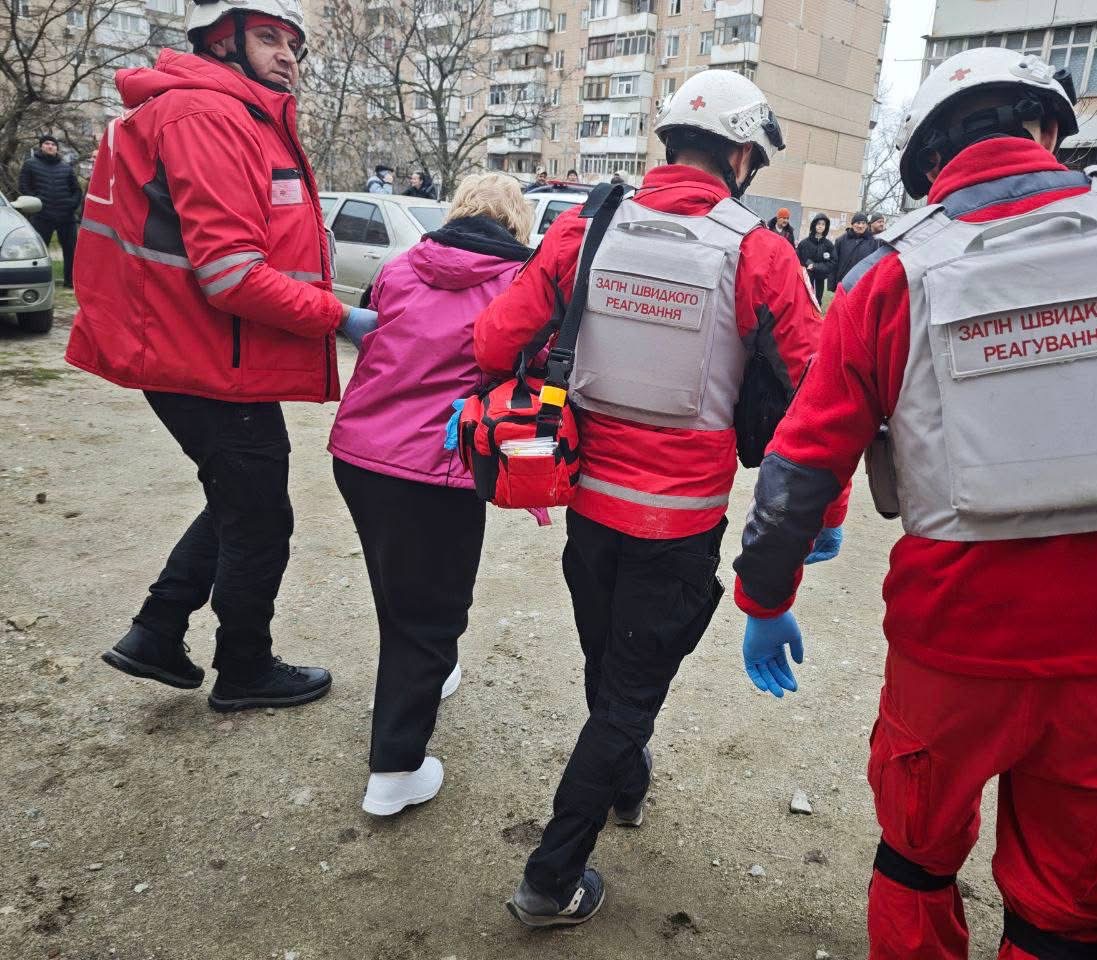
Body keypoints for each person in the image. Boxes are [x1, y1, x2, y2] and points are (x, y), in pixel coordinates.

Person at [731, 46, 1097, 960]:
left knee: (916, 860)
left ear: (927, 161)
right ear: (1047, 127)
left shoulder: (890, 274)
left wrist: (765, 595)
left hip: (956, 641)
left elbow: (803, 463)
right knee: (1068, 911)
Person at [472, 68, 826, 928]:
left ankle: (625, 783)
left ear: (670, 142)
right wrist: (825, 517)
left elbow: (492, 341)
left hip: (589, 507)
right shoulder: (762, 252)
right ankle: (550, 880)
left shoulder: (585, 228)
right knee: (629, 692)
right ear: (741, 156)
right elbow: (820, 393)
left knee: (612, 670)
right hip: (681, 525)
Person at [68, 0, 377, 712]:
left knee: (237, 500)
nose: (288, 55)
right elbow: (232, 274)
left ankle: (155, 631)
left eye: (294, 43)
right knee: (261, 520)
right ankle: (245, 669)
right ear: (219, 41)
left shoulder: (238, 114)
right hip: (206, 361)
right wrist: (343, 318)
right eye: (269, 37)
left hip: (206, 355)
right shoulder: (207, 115)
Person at [329, 173, 532, 815]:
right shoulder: (521, 282)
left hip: (361, 453)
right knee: (434, 612)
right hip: (438, 465)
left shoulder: (399, 267)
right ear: (517, 221)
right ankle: (394, 770)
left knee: (399, 588)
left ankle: (427, 675)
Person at [18, 135, 82, 288]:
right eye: (47, 143)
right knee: (38, 251)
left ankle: (70, 282)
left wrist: (71, 205)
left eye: (53, 144)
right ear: (41, 146)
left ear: (57, 148)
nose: (50, 146)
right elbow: (24, 187)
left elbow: (77, 190)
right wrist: (37, 202)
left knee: (71, 250)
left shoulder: (66, 167)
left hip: (66, 216)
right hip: (42, 215)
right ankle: (37, 283)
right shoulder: (30, 164)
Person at [830, 212, 877, 295]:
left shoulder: (873, 242)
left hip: (862, 283)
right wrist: (832, 285)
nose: (860, 226)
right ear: (852, 224)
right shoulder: (841, 240)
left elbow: (875, 265)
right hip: (843, 283)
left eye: (863, 223)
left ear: (867, 225)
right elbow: (833, 262)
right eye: (858, 223)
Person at [795, 211, 834, 300]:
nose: (820, 226)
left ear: (826, 227)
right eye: (818, 224)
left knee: (817, 300)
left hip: (820, 279)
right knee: (804, 300)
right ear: (814, 225)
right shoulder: (804, 243)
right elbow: (798, 260)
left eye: (823, 224)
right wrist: (806, 266)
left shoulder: (828, 245)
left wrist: (815, 266)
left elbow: (832, 263)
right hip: (806, 279)